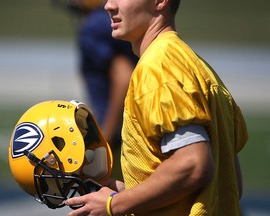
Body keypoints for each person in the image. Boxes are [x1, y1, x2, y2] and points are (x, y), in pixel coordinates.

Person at [65, 0, 248, 215]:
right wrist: (127, 193)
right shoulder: (198, 66)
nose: (109, 5)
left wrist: (113, 205)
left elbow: (193, 165)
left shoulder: (159, 66)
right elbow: (229, 183)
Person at [65, 0, 139, 147]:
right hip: (133, 123)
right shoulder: (107, 20)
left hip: (122, 131)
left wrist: (107, 134)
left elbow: (124, 76)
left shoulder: (94, 26)